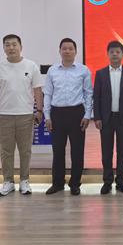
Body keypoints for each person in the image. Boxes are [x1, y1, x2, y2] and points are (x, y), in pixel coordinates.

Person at [0, 34, 43, 197]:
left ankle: (25, 181)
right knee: (6, 151)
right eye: (7, 45)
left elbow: (37, 90)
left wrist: (39, 110)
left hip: (26, 115)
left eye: (14, 44)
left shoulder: (31, 66)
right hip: (5, 115)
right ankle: (8, 181)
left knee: (25, 151)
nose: (11, 48)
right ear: (4, 48)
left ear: (21, 47)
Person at [43, 38, 93, 195]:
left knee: (77, 151)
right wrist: (47, 116)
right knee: (58, 151)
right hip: (57, 114)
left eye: (70, 48)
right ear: (60, 51)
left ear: (76, 51)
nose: (67, 51)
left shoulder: (83, 70)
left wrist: (87, 115)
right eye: (64, 48)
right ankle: (57, 183)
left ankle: (75, 183)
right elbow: (48, 94)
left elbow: (88, 94)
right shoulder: (52, 71)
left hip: (76, 113)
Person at [93, 40, 123, 195]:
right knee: (106, 151)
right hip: (106, 118)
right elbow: (96, 97)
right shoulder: (100, 74)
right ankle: (107, 181)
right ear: (108, 54)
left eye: (117, 52)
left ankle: (120, 180)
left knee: (122, 151)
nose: (114, 55)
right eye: (112, 52)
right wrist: (97, 117)